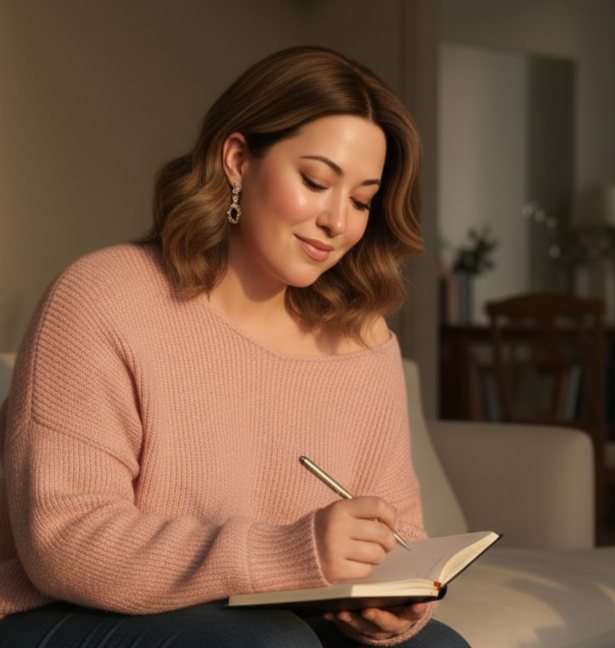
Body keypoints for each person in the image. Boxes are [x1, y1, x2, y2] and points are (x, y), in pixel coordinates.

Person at [0, 47, 470, 647]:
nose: (336, 221)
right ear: (239, 159)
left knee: (437, 645)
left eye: (360, 200)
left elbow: (399, 532)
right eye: (316, 181)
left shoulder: (363, 341)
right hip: (62, 610)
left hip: (268, 616)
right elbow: (63, 542)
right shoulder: (104, 296)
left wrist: (393, 599)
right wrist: (289, 551)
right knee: (266, 644)